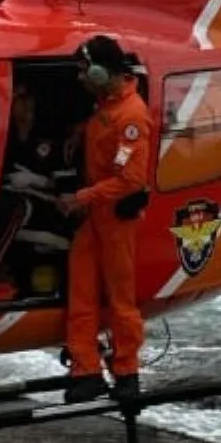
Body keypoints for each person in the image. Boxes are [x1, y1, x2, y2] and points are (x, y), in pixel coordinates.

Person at [56, 35, 152, 403]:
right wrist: (81, 132)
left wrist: (80, 198)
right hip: (95, 218)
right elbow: (103, 134)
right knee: (81, 295)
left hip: (114, 219)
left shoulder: (131, 116)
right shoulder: (107, 108)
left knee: (120, 300)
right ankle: (86, 370)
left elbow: (131, 179)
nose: (80, 79)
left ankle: (127, 371)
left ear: (99, 71)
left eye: (84, 71)